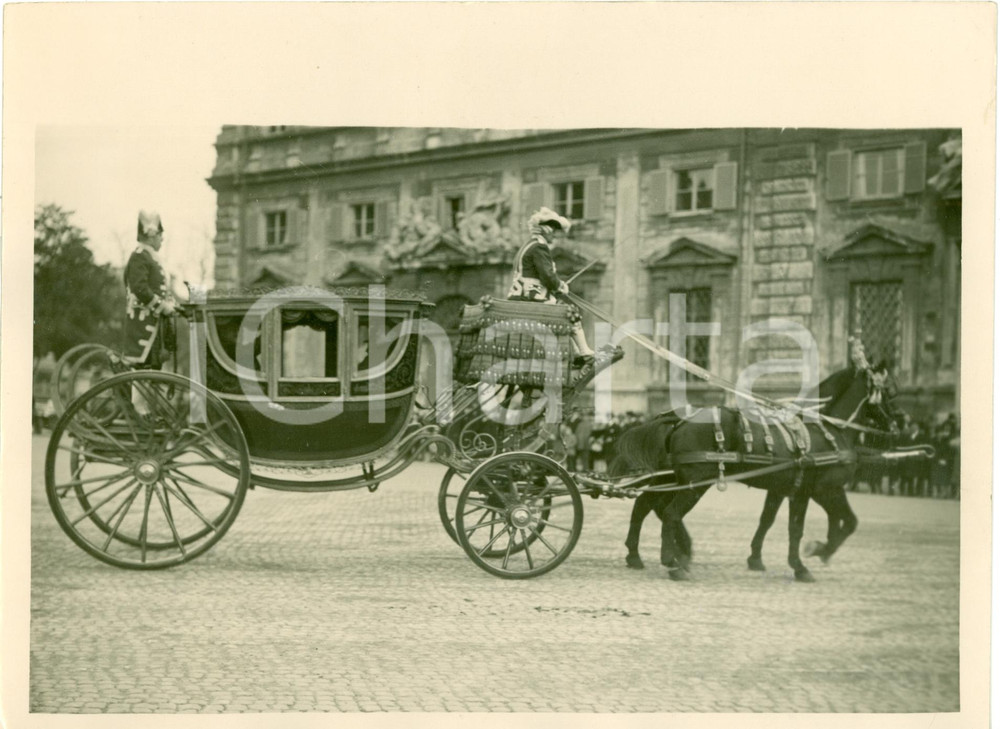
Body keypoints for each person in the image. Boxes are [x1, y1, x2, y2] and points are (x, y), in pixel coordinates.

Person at [507, 207, 595, 362]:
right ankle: (584, 351)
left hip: (520, 296)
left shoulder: (527, 245)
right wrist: (559, 285)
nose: (555, 234)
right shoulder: (539, 247)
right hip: (532, 298)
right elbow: (547, 276)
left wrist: (558, 283)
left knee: (562, 313)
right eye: (553, 230)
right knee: (570, 314)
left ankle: (575, 352)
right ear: (545, 230)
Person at [122, 211, 177, 416]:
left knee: (152, 367)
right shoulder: (139, 256)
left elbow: (159, 288)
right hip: (143, 323)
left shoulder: (150, 257)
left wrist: (171, 303)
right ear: (151, 235)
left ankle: (148, 412)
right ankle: (140, 412)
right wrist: (162, 306)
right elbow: (139, 287)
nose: (162, 239)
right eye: (160, 235)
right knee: (142, 367)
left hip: (153, 323)